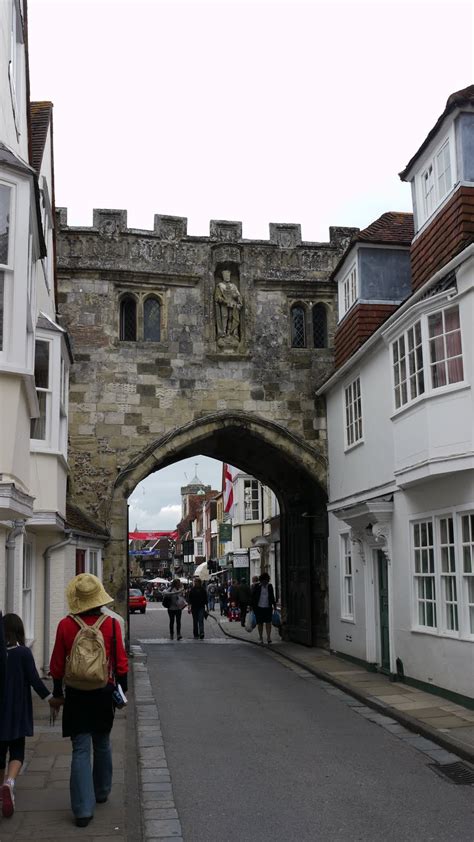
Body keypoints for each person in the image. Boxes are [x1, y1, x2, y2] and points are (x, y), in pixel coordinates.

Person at [49, 573, 128, 828]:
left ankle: (83, 810)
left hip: (76, 693)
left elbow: (56, 664)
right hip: (103, 691)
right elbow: (121, 663)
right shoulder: (111, 624)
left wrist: (58, 692)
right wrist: (121, 691)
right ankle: (101, 791)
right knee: (102, 742)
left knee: (81, 748)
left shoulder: (65, 625)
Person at [0, 613, 55, 818]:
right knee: (17, 751)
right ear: (19, 631)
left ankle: (1, 791)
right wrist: (51, 699)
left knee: (0, 755)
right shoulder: (23, 653)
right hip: (17, 711)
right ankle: (9, 782)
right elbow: (35, 680)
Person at [214, 269, 243, 338]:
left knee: (231, 317)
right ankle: (223, 332)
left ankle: (230, 332)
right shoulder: (220, 285)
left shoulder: (233, 286)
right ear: (223, 277)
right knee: (224, 317)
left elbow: (238, 295)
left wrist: (236, 297)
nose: (227, 277)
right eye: (226, 276)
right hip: (224, 304)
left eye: (228, 275)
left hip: (233, 304)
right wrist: (223, 301)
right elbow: (217, 296)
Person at [251, 572, 277, 645]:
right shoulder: (257, 586)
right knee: (260, 623)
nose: (265, 583)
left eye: (266, 581)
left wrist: (274, 606)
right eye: (263, 581)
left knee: (268, 623)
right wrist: (251, 606)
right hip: (259, 608)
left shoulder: (270, 586)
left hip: (268, 607)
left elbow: (272, 597)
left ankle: (268, 637)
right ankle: (260, 637)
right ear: (261, 580)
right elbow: (253, 597)